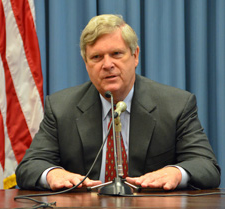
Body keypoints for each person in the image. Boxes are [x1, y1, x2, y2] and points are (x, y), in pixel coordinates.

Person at [16, 14, 220, 191]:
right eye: (96, 57)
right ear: (86, 65)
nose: (107, 65)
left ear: (135, 56)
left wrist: (176, 172)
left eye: (116, 54)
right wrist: (52, 174)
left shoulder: (176, 105)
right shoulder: (61, 108)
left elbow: (206, 166)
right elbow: (29, 166)